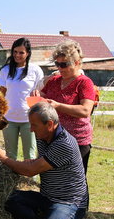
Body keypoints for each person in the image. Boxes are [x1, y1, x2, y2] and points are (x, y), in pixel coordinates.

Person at [0, 101, 98, 219]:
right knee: (9, 199)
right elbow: (41, 163)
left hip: (68, 203)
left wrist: (4, 158)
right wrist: (33, 162)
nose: (31, 129)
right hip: (47, 197)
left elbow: (30, 171)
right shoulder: (43, 137)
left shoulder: (64, 144)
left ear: (49, 124)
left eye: (34, 125)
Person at [40, 39, 96, 174]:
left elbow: (85, 110)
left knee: (74, 182)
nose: (59, 68)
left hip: (76, 141)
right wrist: (37, 96)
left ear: (76, 63)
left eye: (64, 64)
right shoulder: (53, 81)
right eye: (57, 64)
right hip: (53, 139)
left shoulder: (84, 83)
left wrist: (58, 106)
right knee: (53, 178)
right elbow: (43, 97)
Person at [0, 38, 44, 160]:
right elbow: (2, 91)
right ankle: (12, 178)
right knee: (10, 155)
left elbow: (41, 91)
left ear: (28, 53)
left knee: (30, 155)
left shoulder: (35, 70)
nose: (17, 55)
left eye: (21, 52)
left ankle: (29, 179)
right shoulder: (5, 70)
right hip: (9, 118)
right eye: (15, 51)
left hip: (30, 119)